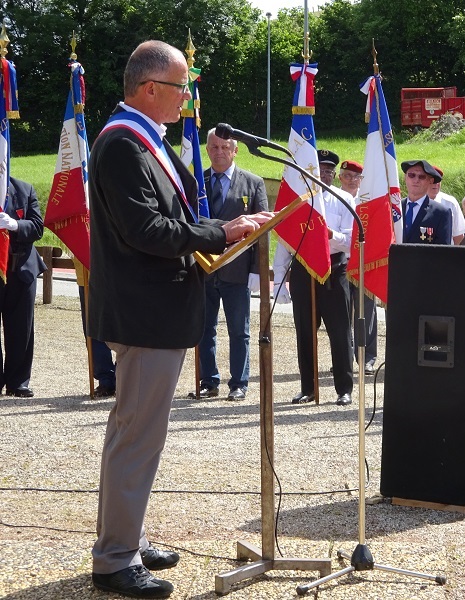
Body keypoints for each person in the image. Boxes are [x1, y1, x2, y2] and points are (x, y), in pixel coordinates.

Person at [87, 40, 271, 598]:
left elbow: (166, 221)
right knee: (137, 436)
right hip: (145, 313)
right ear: (149, 89)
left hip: (156, 310)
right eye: (180, 87)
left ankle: (128, 537)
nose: (187, 98)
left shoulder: (143, 142)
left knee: (137, 433)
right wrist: (224, 229)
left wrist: (223, 231)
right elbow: (147, 232)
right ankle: (114, 558)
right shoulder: (123, 146)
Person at [273, 149, 356, 406]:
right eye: (320, 170)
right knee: (305, 332)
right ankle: (308, 387)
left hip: (333, 270)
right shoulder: (299, 203)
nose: (326, 175)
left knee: (340, 332)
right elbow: (285, 242)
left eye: (330, 171)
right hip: (303, 270)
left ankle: (344, 388)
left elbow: (352, 239)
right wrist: (279, 282)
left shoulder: (343, 199)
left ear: (336, 175)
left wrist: (333, 236)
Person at [191, 129, 268, 401]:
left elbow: (262, 230)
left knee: (239, 330)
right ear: (207, 149)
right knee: (203, 328)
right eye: (214, 147)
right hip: (204, 267)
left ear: (235, 150)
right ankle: (208, 380)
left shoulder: (253, 183)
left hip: (237, 270)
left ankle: (239, 383)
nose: (219, 152)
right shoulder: (197, 182)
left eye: (225, 147)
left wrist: (258, 271)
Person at [0, 177, 46, 398]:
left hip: (22, 269)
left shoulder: (24, 189)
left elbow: (38, 227)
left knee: (22, 328)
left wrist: (15, 225)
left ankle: (18, 382)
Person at [339, 159, 378, 374]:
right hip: (341, 263)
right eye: (347, 176)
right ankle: (344, 356)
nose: (352, 181)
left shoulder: (368, 201)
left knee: (367, 312)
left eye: (356, 177)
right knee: (342, 314)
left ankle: (367, 357)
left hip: (365, 262)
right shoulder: (333, 199)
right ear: (340, 178)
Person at [74, 259, 116, 397]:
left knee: (125, 329)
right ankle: (106, 380)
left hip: (120, 274)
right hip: (88, 272)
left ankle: (125, 377)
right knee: (94, 330)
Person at [400, 159, 452, 244]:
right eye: (411, 175)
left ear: (430, 181)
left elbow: (443, 251)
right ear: (405, 177)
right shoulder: (394, 209)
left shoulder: (441, 213)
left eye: (422, 177)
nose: (416, 180)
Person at [428, 165, 465, 245]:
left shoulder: (450, 202)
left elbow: (459, 235)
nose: (436, 184)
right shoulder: (416, 202)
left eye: (438, 181)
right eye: (432, 181)